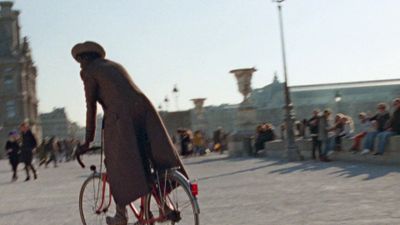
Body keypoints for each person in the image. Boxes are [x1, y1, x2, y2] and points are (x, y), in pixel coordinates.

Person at [71, 41, 187, 225]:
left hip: (121, 115)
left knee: (114, 162)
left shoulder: (89, 72)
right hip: (144, 107)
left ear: (84, 59)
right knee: (147, 157)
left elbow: (90, 107)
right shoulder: (114, 65)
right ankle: (163, 205)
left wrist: (87, 141)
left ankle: (121, 216)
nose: (80, 65)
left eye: (80, 61)